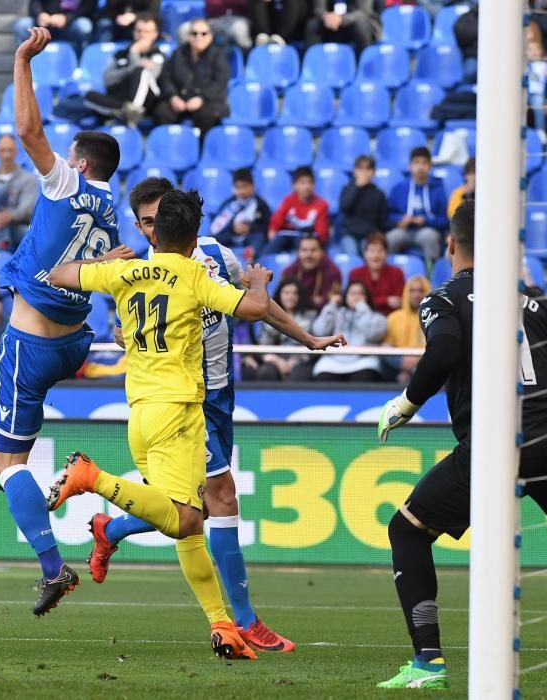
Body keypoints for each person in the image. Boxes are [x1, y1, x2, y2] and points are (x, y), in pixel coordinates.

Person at [375, 201, 547, 689]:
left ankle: (428, 662)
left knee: (407, 531)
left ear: (451, 245)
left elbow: (446, 350)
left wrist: (407, 402)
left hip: (495, 447)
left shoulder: (444, 298)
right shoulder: (535, 300)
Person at [84, 178, 345, 651]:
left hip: (220, 394)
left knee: (195, 509)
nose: (149, 231)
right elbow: (124, 334)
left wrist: (307, 339)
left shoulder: (213, 257)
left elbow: (257, 308)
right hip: (185, 402)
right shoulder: (140, 271)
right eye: (142, 222)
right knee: (221, 498)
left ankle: (113, 526)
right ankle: (244, 620)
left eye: (154, 219)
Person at [44, 189, 274, 660]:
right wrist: (258, 282)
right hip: (179, 414)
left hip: (140, 412)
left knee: (188, 529)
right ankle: (92, 478)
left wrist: (103, 260)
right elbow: (252, 310)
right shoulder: (193, 272)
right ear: (192, 241)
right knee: (185, 518)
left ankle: (222, 626)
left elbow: (59, 273)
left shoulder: (125, 271)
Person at [0, 28, 127, 617]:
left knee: (7, 466)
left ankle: (53, 567)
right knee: (0, 398)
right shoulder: (113, 215)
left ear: (80, 163)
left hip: (31, 347)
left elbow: (29, 130)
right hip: (74, 343)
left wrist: (21, 62)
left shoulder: (67, 182)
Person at [81, 14, 164, 126]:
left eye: (147, 32)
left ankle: (134, 110)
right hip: (120, 98)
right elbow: (107, 80)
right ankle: (127, 112)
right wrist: (131, 64)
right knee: (89, 96)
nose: (142, 35)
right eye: (139, 31)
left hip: (147, 102)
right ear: (134, 32)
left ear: (155, 34)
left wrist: (134, 56)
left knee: (141, 71)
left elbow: (153, 76)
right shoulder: (121, 54)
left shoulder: (157, 55)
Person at [154, 19, 231, 136]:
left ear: (211, 36)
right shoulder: (178, 53)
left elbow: (220, 81)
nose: (198, 37)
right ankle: (170, 149)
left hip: (208, 101)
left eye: (203, 33)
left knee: (206, 115)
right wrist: (173, 97)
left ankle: (202, 150)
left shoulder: (218, 55)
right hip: (180, 101)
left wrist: (201, 98)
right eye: (194, 33)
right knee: (161, 111)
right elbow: (166, 78)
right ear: (188, 36)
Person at [311, 280, 386, 382]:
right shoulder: (335, 312)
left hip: (363, 362)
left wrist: (362, 309)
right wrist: (331, 305)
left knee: (365, 378)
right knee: (323, 380)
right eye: (352, 293)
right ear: (345, 296)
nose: (356, 297)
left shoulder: (377, 317)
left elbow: (373, 334)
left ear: (367, 297)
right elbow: (319, 331)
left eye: (360, 293)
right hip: (332, 362)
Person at [249, 278, 321, 381]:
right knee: (266, 372)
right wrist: (278, 361)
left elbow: (314, 343)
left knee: (299, 376)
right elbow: (264, 346)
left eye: (294, 293)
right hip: (275, 360)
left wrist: (293, 362)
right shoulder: (269, 315)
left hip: (302, 361)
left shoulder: (310, 316)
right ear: (280, 295)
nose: (290, 297)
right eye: (286, 293)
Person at [386, 147, 448, 262]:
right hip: (404, 230)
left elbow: (444, 219)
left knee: (430, 237)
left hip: (427, 230)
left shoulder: (438, 188)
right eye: (416, 163)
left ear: (430, 167)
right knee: (390, 239)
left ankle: (430, 275)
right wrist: (400, 219)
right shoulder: (400, 188)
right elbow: (388, 214)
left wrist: (426, 221)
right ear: (410, 166)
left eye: (424, 163)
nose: (420, 167)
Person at [263, 166, 330, 254]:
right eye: (302, 183)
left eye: (310, 183)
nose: (307, 186)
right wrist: (272, 230)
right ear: (294, 185)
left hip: (308, 240)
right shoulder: (288, 201)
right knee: (273, 245)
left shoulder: (322, 205)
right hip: (287, 237)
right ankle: (258, 263)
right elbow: (277, 221)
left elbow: (322, 235)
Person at [209, 168, 271, 258]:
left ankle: (251, 256)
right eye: (238, 187)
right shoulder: (228, 204)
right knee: (211, 239)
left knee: (259, 238)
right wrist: (233, 229)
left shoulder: (260, 205)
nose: (241, 191)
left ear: (252, 186)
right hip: (230, 236)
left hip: (250, 236)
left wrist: (250, 228)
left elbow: (265, 226)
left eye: (245, 187)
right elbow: (218, 226)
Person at [385, 274, 431, 384]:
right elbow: (387, 346)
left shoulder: (434, 317)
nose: (416, 295)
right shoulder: (394, 317)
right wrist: (401, 363)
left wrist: (416, 362)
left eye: (421, 290)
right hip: (399, 363)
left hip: (426, 362)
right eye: (412, 290)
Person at [338, 155, 388, 256]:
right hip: (349, 234)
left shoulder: (378, 193)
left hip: (369, 236)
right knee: (352, 253)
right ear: (354, 172)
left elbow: (383, 221)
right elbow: (344, 207)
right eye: (360, 168)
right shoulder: (347, 189)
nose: (364, 172)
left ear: (373, 172)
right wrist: (357, 187)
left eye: (368, 169)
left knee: (371, 254)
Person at [281, 235, 342, 313]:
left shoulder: (333, 272)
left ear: (321, 252)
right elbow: (283, 300)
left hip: (322, 316)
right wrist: (314, 300)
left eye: (313, 250)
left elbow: (330, 301)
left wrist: (300, 300)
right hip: (295, 315)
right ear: (298, 252)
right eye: (304, 250)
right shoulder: (288, 272)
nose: (308, 255)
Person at [348, 232, 405, 316]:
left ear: (386, 254)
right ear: (365, 254)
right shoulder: (355, 274)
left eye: (380, 251)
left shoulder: (397, 273)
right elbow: (353, 301)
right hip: (360, 318)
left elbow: (398, 301)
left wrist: (367, 301)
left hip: (390, 319)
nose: (376, 255)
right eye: (372, 250)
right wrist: (386, 301)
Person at [13, 0, 95, 53]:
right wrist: (39, 15)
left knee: (84, 26)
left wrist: (67, 18)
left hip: (70, 26)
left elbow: (88, 9)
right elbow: (34, 4)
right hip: (45, 24)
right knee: (22, 25)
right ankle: (24, 64)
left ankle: (81, 66)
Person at [304, 0, 379, 55]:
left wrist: (341, 19)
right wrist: (326, 16)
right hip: (330, 22)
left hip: (354, 21)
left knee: (361, 26)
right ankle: (313, 66)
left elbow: (363, 12)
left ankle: (363, 67)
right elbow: (318, 8)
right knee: (313, 25)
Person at [526, 40, 547, 133]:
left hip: (539, 94)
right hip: (525, 93)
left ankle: (540, 130)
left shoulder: (546, 66)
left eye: (536, 49)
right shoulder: (523, 66)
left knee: (539, 104)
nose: (534, 52)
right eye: (530, 49)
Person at [95, 0, 161, 42]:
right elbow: (107, 12)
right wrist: (118, 17)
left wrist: (134, 16)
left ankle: (145, 52)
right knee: (105, 23)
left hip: (138, 25)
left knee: (147, 26)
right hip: (117, 25)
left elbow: (154, 13)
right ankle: (104, 52)